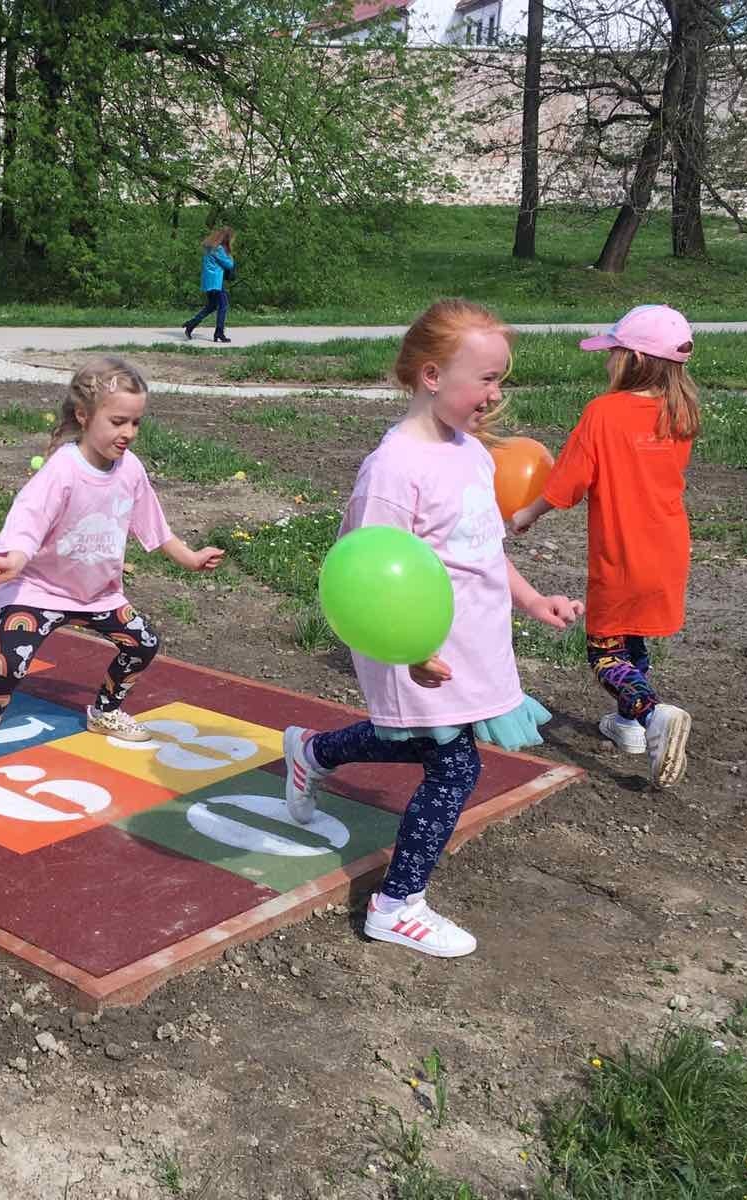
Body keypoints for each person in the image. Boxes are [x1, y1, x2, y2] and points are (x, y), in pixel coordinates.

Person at [281, 299, 583, 958]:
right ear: (431, 375)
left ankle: (313, 753)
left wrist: (531, 599)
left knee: (423, 741)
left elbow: (482, 548)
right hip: (414, 644)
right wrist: (413, 650)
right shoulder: (393, 470)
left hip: (470, 639)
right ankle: (397, 903)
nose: (495, 394)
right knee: (454, 765)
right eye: (485, 378)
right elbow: (368, 577)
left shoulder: (471, 453)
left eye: (501, 378)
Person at [0, 356, 225, 782]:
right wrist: (15, 557)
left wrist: (190, 558)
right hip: (39, 588)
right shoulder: (62, 470)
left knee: (142, 644)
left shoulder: (131, 470)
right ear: (84, 416)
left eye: (136, 423)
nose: (128, 434)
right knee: (13, 663)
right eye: (119, 421)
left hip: (97, 593)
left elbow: (155, 528)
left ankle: (104, 711)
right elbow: (29, 520)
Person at [509, 304, 698, 788]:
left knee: (606, 652)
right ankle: (629, 726)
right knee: (633, 636)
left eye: (613, 352)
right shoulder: (680, 412)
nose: (607, 360)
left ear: (633, 358)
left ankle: (653, 715)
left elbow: (567, 482)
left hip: (622, 554)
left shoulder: (603, 413)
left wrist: (524, 515)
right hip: (669, 550)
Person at [183, 227, 235, 344]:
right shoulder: (219, 250)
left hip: (209, 281)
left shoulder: (209, 248)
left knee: (211, 306)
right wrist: (230, 255)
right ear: (226, 239)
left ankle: (191, 324)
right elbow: (229, 265)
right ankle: (219, 332)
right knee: (223, 306)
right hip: (216, 282)